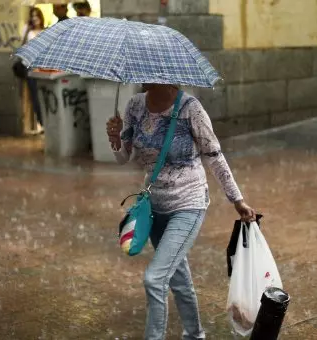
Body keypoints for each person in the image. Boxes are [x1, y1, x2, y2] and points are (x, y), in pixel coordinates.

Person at [106, 84, 256, 340]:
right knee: (178, 279)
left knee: (155, 279)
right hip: (154, 207)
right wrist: (116, 139)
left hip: (188, 203)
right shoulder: (135, 105)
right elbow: (124, 158)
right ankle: (195, 334)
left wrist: (237, 199)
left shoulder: (190, 109)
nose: (146, 77)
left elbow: (214, 156)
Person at [22, 7, 45, 132]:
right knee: (35, 96)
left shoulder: (45, 31)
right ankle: (41, 123)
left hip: (44, 67)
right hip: (32, 66)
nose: (35, 18)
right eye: (32, 16)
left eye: (37, 15)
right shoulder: (28, 32)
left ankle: (43, 121)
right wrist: (26, 27)